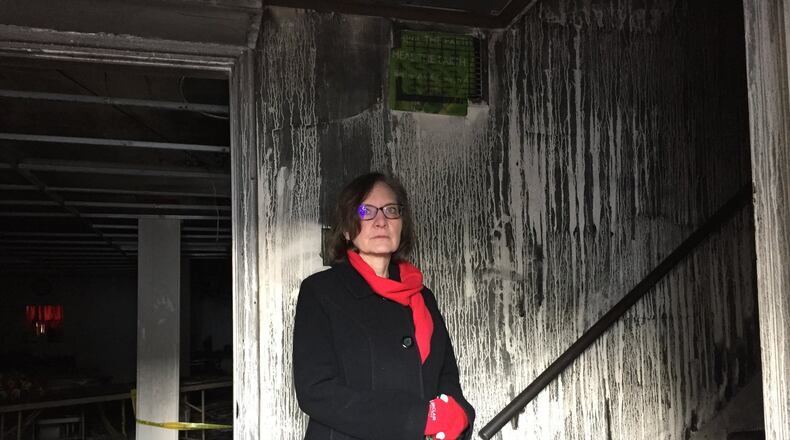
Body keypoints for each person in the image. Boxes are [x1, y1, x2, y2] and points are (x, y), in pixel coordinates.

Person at [293, 172, 475, 440]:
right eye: (366, 210)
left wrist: (459, 415)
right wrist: (418, 418)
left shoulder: (423, 296)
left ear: (402, 224)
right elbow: (316, 391)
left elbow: (446, 376)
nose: (381, 221)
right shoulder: (321, 291)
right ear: (346, 228)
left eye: (391, 210)